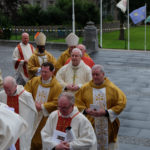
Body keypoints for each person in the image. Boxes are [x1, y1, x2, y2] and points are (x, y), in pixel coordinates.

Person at [75, 64, 127, 150]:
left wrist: (106, 112)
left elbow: (122, 103)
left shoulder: (112, 88)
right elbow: (76, 102)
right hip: (90, 124)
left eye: (97, 74)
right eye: (93, 74)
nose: (94, 77)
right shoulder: (85, 88)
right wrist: (85, 110)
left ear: (103, 74)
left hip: (108, 125)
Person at [24, 62, 62, 150]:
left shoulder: (57, 86)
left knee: (40, 139)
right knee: (29, 136)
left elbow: (57, 102)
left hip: (45, 118)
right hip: (32, 114)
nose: (43, 74)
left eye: (46, 72)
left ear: (52, 72)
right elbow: (25, 92)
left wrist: (43, 107)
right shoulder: (34, 81)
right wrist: (33, 103)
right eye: (42, 71)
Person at [0, 76, 37, 150]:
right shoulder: (2, 95)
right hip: (8, 130)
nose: (7, 92)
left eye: (9, 90)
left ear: (15, 86)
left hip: (21, 131)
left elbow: (33, 113)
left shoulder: (26, 96)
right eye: (5, 89)